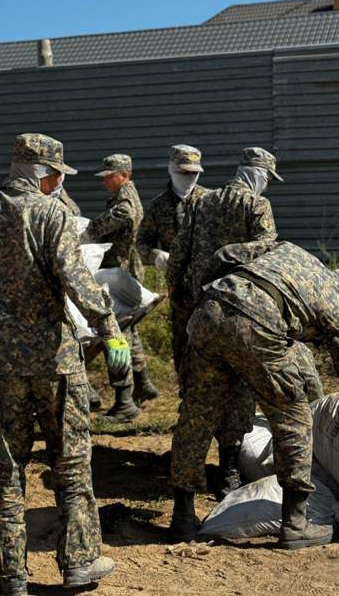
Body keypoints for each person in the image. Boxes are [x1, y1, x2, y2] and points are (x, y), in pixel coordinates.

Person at [0, 133, 130, 596]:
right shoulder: (52, 214)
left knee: (7, 470)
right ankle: (79, 564)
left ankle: (10, 574)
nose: (56, 184)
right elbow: (75, 278)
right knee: (70, 464)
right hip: (52, 361)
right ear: (43, 173)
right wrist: (110, 330)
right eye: (55, 176)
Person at [169, 242, 339, 550]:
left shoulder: (290, 251)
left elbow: (224, 255)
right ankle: (296, 524)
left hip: (209, 311)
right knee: (292, 414)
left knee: (196, 416)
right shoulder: (335, 302)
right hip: (257, 322)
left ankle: (182, 519)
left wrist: (200, 295)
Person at [167, 147, 281, 498]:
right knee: (240, 387)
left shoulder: (202, 202)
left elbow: (177, 257)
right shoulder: (256, 206)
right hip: (238, 311)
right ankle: (229, 471)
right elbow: (269, 247)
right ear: (258, 175)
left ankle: (187, 486)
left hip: (197, 313)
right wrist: (233, 254)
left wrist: (180, 301)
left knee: (198, 395)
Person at [82, 154, 156, 419]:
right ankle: (143, 384)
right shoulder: (126, 196)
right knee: (127, 332)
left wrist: (80, 234)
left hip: (120, 278)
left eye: (108, 177)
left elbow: (100, 227)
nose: (105, 182)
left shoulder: (124, 204)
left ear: (124, 175)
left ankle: (125, 402)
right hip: (126, 275)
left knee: (115, 338)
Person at [137, 144, 208, 372]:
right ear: (171, 170)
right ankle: (187, 395)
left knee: (212, 344)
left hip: (211, 286)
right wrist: (154, 255)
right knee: (183, 345)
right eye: (183, 173)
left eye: (193, 174)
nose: (188, 178)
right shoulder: (158, 206)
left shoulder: (211, 201)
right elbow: (141, 243)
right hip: (179, 291)